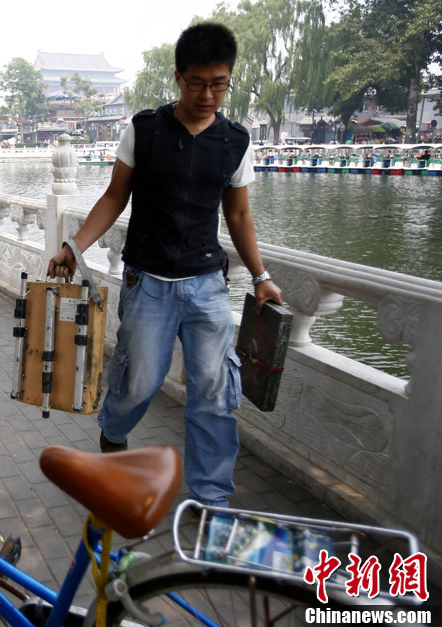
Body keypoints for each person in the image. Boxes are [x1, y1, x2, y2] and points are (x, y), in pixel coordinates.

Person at [48, 22, 283, 508]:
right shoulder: (145, 130)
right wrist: (75, 246)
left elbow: (238, 215)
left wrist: (261, 277)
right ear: (178, 78)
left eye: (219, 84)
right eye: (197, 83)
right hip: (148, 282)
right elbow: (115, 196)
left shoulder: (235, 141)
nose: (207, 95)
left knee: (213, 394)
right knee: (138, 384)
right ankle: (114, 435)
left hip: (207, 285)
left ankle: (211, 499)